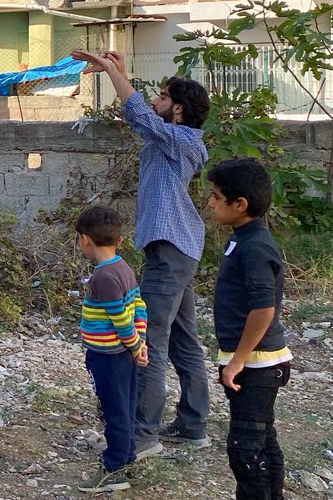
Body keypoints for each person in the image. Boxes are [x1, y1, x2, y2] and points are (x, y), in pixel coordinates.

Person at [72, 49, 211, 460]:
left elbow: (138, 114)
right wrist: (121, 73)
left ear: (179, 109)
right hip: (175, 249)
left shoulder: (182, 140)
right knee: (185, 340)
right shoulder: (173, 139)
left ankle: (144, 434)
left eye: (163, 96)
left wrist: (114, 72)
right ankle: (192, 424)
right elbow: (144, 115)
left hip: (172, 251)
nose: (155, 100)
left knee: (149, 340)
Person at [207, 158, 292, 500]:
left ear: (239, 204)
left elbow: (264, 308)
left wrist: (238, 360)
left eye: (216, 196)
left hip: (257, 365)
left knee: (245, 450)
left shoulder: (255, 246)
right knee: (261, 440)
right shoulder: (243, 238)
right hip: (252, 362)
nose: (210, 203)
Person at [74, 205, 148, 493]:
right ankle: (127, 456)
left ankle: (114, 469)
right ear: (119, 241)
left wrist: (133, 345)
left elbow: (120, 319)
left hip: (108, 356)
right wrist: (140, 344)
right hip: (125, 353)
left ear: (84, 240)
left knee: (113, 409)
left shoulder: (102, 277)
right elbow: (139, 306)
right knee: (126, 406)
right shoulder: (123, 267)